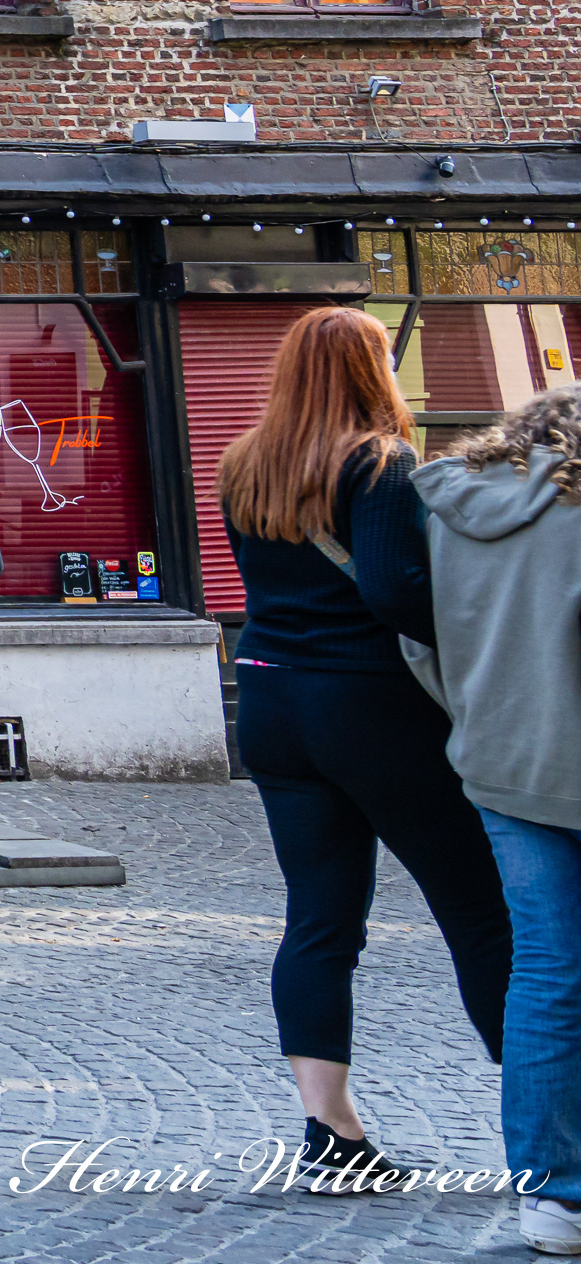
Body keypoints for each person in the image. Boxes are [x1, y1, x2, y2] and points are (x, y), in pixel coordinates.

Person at [217, 305, 510, 1191]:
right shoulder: (381, 464)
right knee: (481, 911)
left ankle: (331, 1132)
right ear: (368, 370)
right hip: (369, 706)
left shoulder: (241, 462)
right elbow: (390, 590)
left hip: (267, 700)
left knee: (320, 918)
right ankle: (549, 1117)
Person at [392, 385, 581, 1254]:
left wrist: (472, 716)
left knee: (545, 973)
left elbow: (418, 639)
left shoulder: (451, 505)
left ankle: (552, 1198)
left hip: (502, 767)